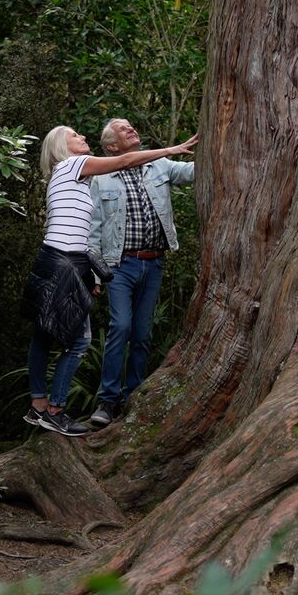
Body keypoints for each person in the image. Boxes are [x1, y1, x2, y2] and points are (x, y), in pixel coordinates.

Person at [21, 124, 198, 437]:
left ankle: (38, 406)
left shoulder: (76, 177)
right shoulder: (72, 165)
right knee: (79, 342)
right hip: (63, 263)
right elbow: (124, 162)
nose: (83, 138)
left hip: (60, 260)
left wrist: (91, 269)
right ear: (61, 146)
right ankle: (56, 410)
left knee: (44, 336)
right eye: (75, 135)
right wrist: (170, 150)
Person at [86, 119, 195, 427]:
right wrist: (94, 275)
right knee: (120, 326)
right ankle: (107, 402)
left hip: (154, 262)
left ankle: (133, 396)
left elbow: (193, 173)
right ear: (112, 147)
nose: (130, 129)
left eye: (130, 125)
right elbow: (93, 230)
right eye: (123, 129)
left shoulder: (158, 165)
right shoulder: (102, 178)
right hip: (119, 265)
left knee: (142, 334)